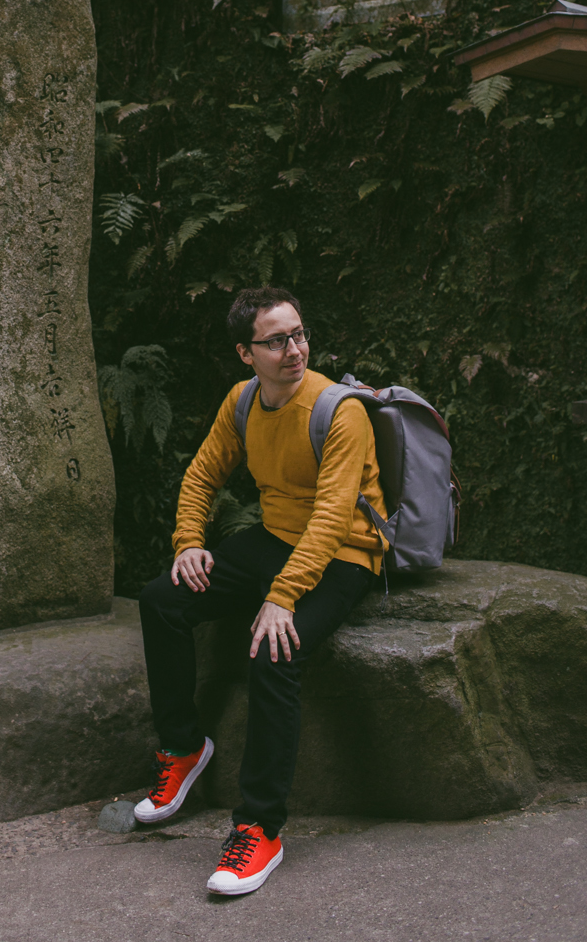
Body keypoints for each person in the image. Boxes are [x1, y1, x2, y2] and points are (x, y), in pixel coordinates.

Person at [135, 285, 387, 896]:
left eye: (298, 335)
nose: (293, 349)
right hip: (276, 537)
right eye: (275, 341)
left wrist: (282, 596)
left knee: (276, 648)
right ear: (246, 353)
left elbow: (331, 516)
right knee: (162, 599)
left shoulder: (339, 410)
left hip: (346, 553)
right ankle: (185, 748)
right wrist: (188, 542)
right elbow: (202, 473)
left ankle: (259, 829)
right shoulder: (242, 403)